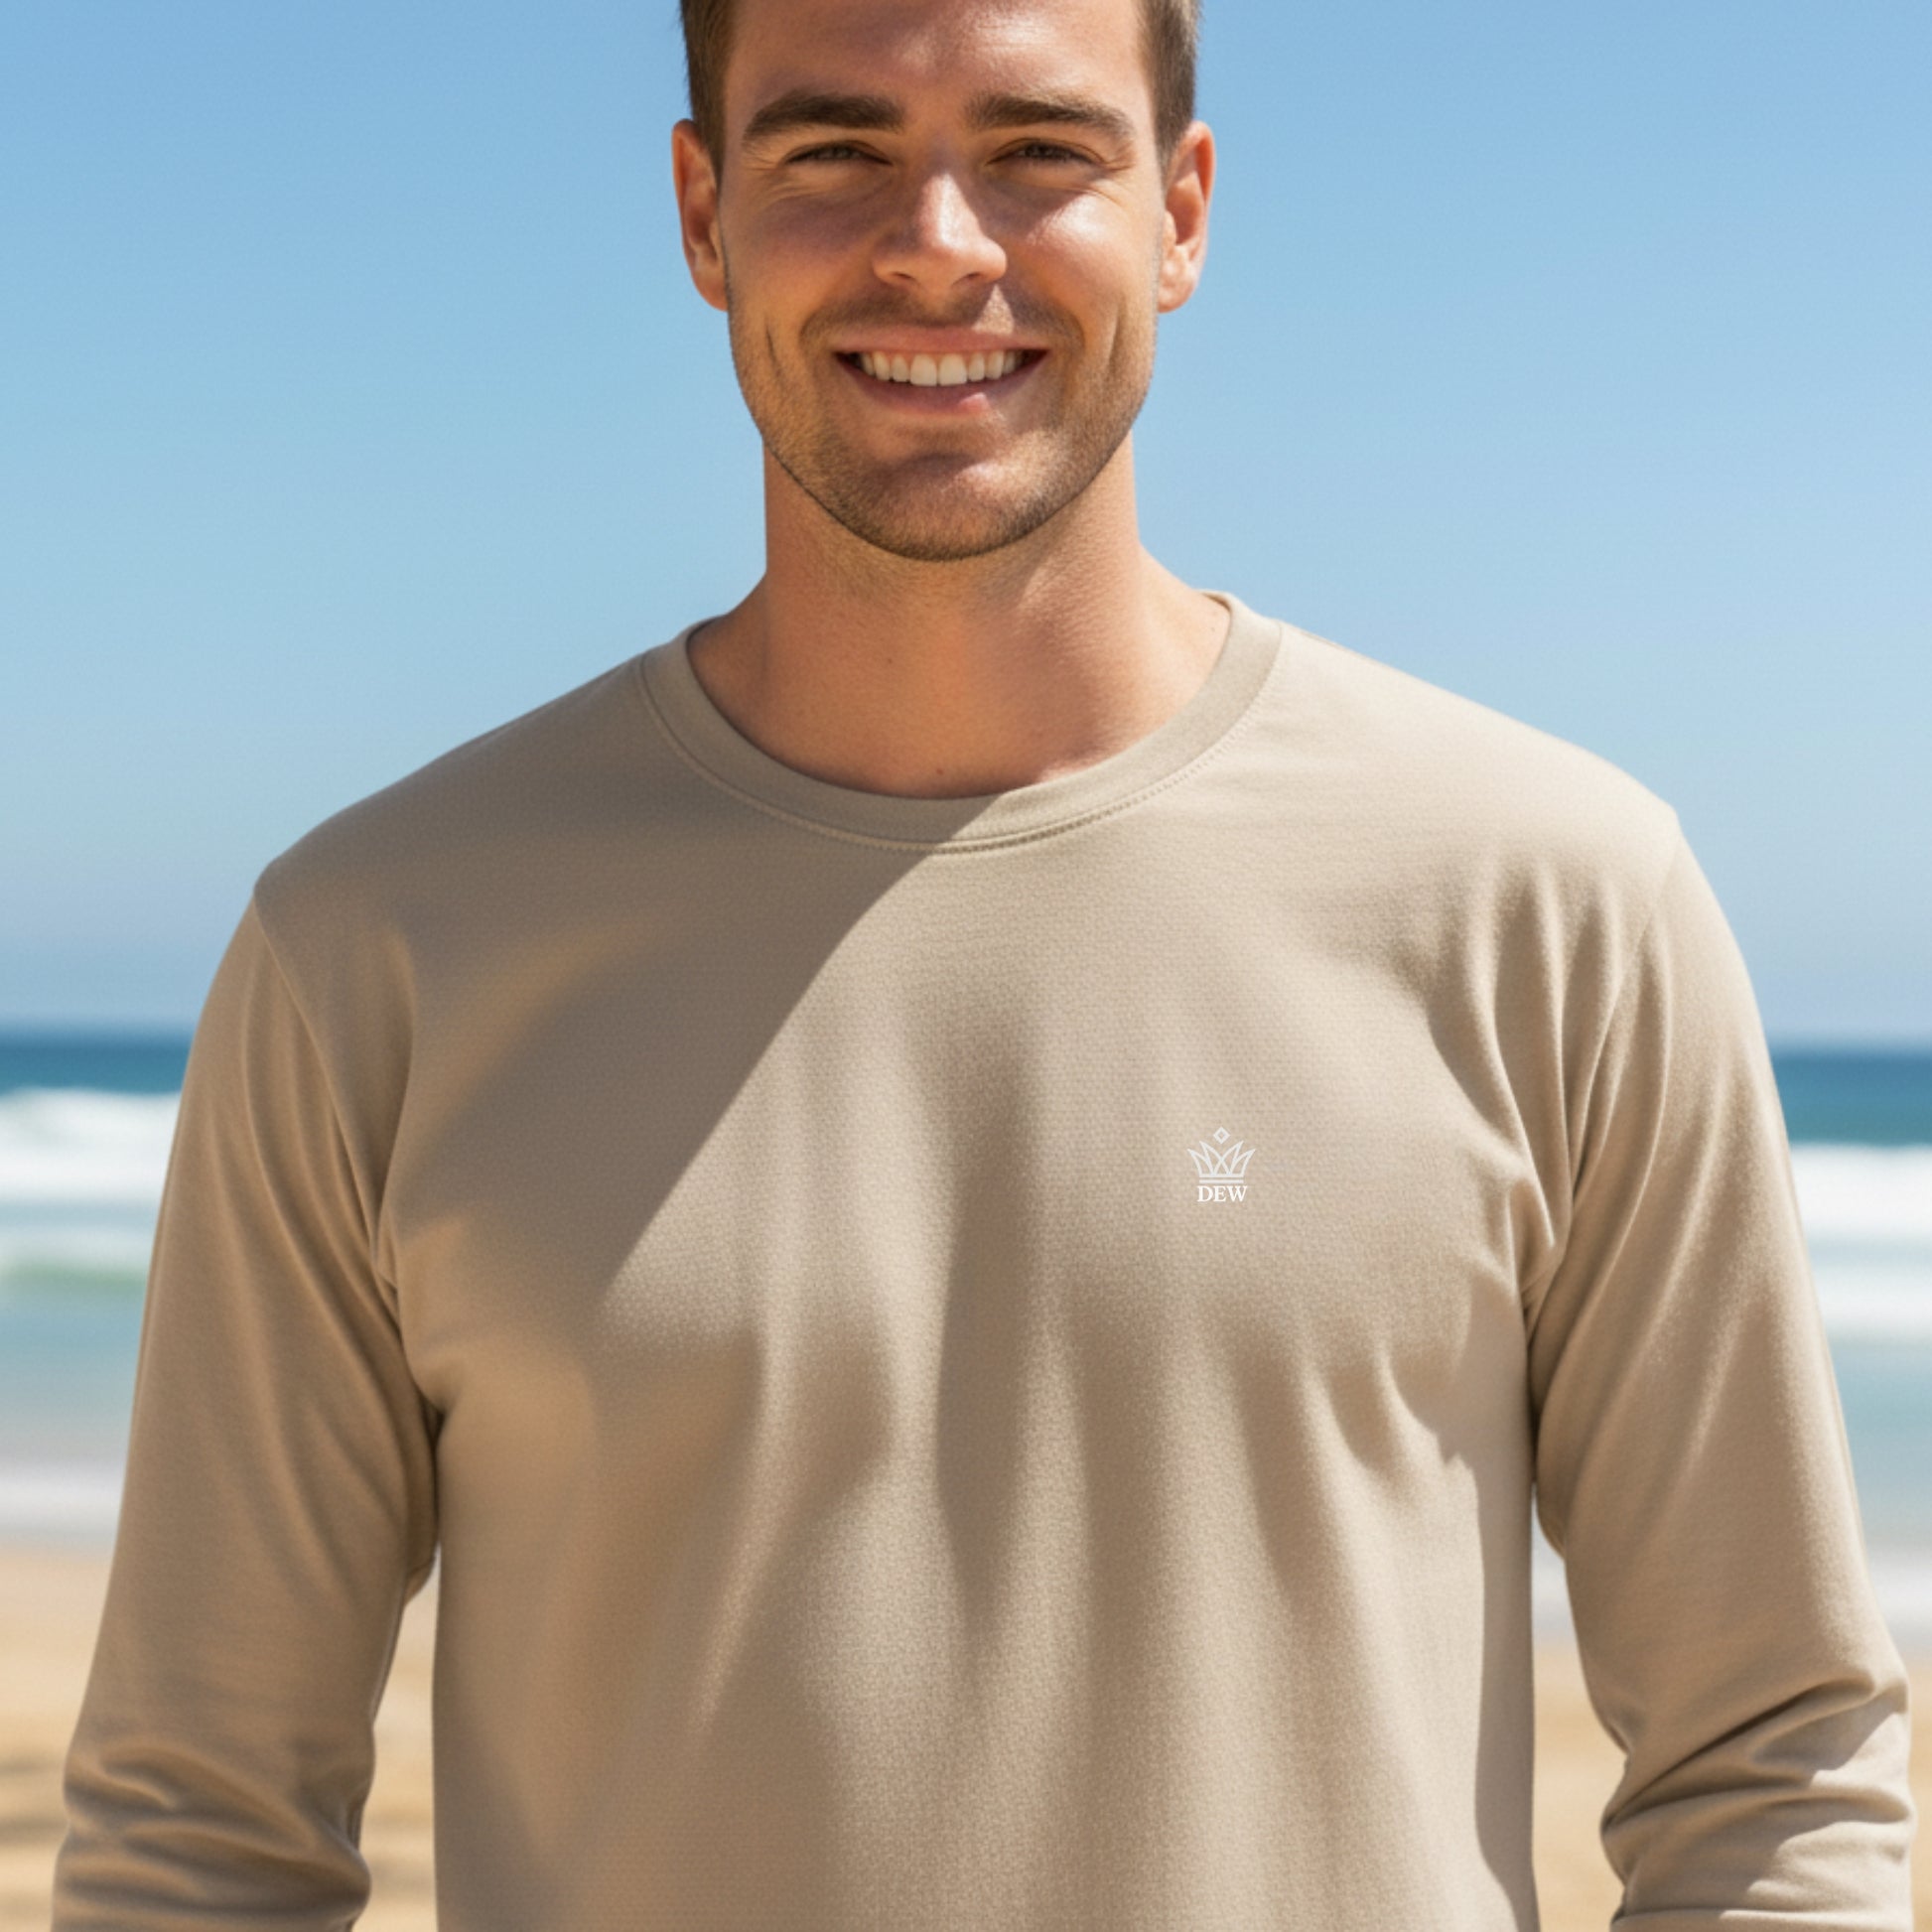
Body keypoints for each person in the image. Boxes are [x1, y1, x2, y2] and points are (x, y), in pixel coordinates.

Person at [51, 0, 1917, 1923]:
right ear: (700, 214)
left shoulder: (1555, 909)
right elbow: (198, 1840)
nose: (938, 240)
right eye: (832, 150)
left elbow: (1769, 1774)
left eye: (1037, 148)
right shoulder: (377, 959)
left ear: (1182, 212)